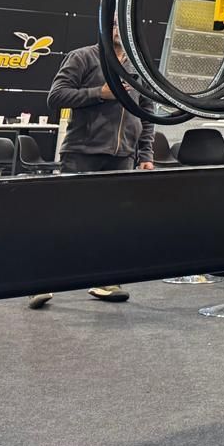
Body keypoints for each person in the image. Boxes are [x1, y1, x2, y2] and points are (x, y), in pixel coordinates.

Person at [28, 23, 155, 309]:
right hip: (82, 152)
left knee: (111, 222)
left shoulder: (139, 68)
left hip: (122, 157)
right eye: (114, 23)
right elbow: (56, 96)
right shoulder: (83, 57)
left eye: (124, 23)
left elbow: (146, 114)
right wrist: (99, 93)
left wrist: (145, 154)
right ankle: (39, 281)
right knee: (66, 218)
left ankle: (105, 280)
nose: (119, 29)